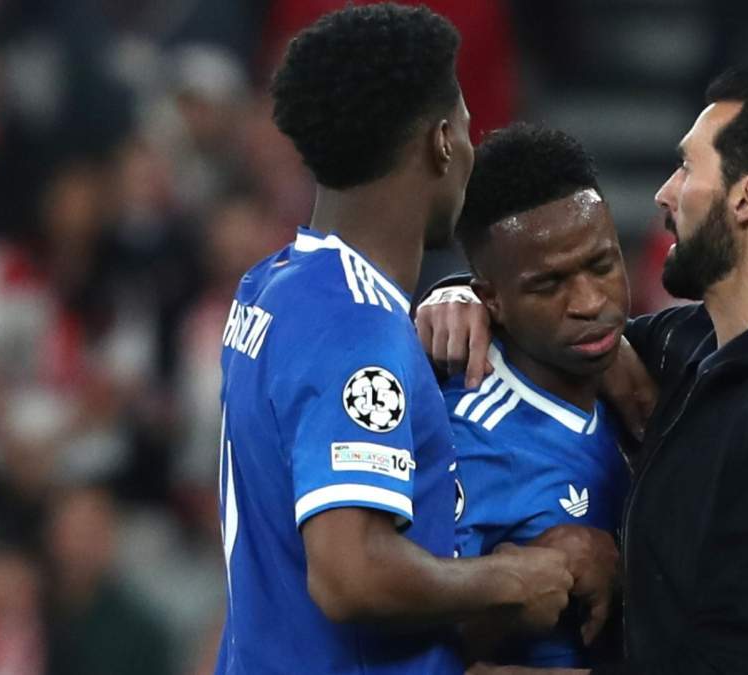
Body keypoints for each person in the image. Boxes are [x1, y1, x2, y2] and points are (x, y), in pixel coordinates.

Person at [418, 61, 748, 673]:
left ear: (746, 197)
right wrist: (457, 296)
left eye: (688, 166)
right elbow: (554, 322)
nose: (664, 192)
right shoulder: (692, 349)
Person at [214, 5, 574, 675]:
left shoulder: (271, 285)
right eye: (467, 126)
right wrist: (509, 579)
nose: (473, 146)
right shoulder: (356, 327)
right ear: (441, 141)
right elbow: (351, 573)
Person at [432, 124, 630, 668]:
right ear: (491, 300)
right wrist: (534, 578)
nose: (589, 302)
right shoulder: (469, 441)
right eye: (549, 285)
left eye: (602, 265)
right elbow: (420, 655)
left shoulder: (653, 379)